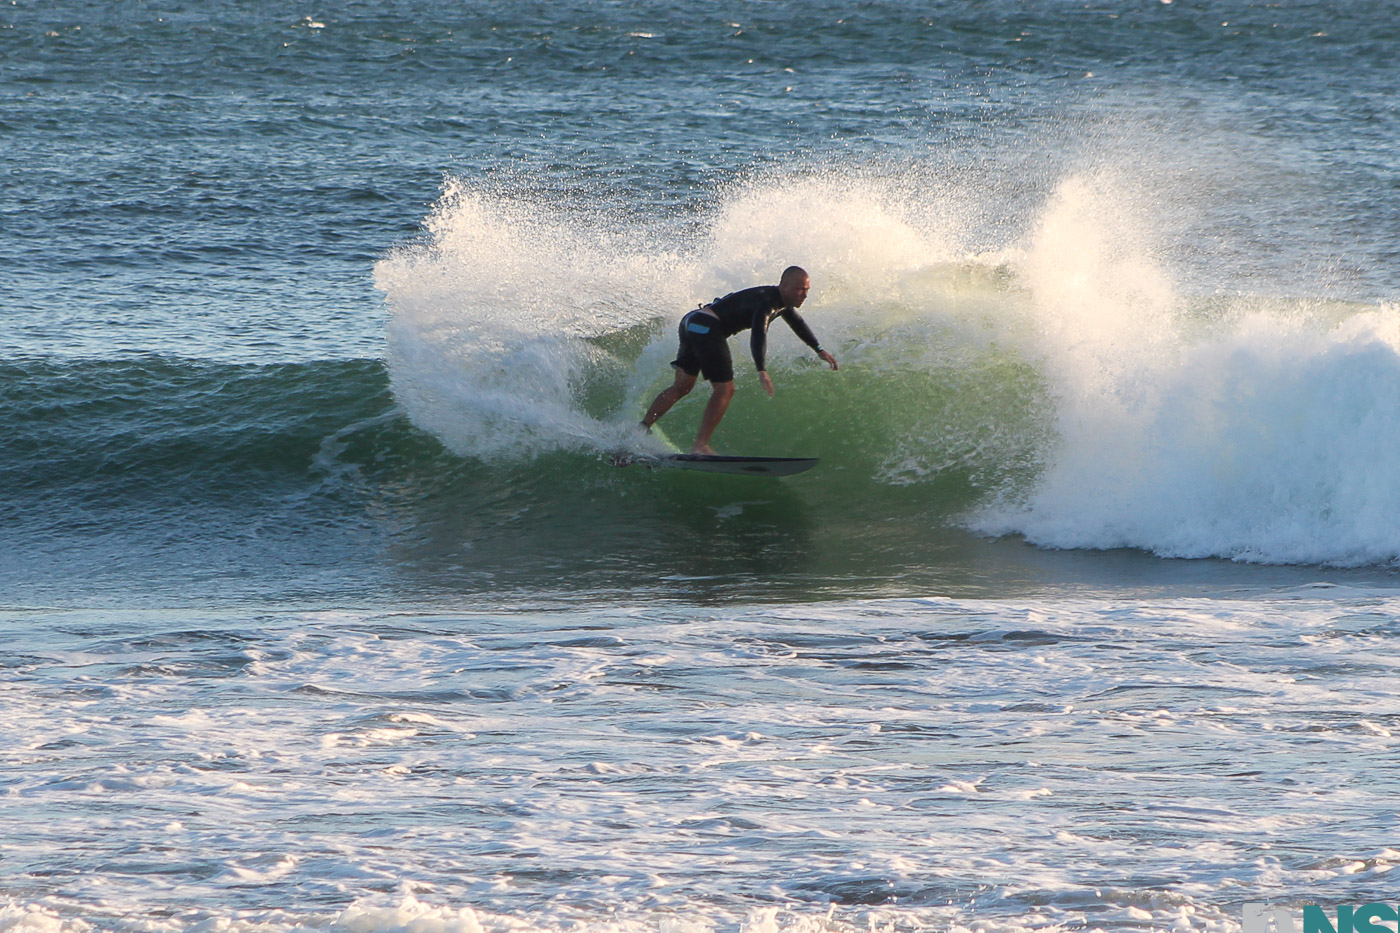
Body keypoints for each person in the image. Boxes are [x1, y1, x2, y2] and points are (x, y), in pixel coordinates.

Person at [641, 266, 839, 454]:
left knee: (682, 386)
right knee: (725, 389)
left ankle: (642, 428)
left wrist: (818, 349)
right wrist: (761, 369)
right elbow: (759, 333)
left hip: (692, 322)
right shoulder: (767, 303)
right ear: (784, 286)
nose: (804, 295)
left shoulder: (780, 302)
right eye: (799, 289)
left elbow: (797, 323)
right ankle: (700, 445)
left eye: (806, 290)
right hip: (707, 326)